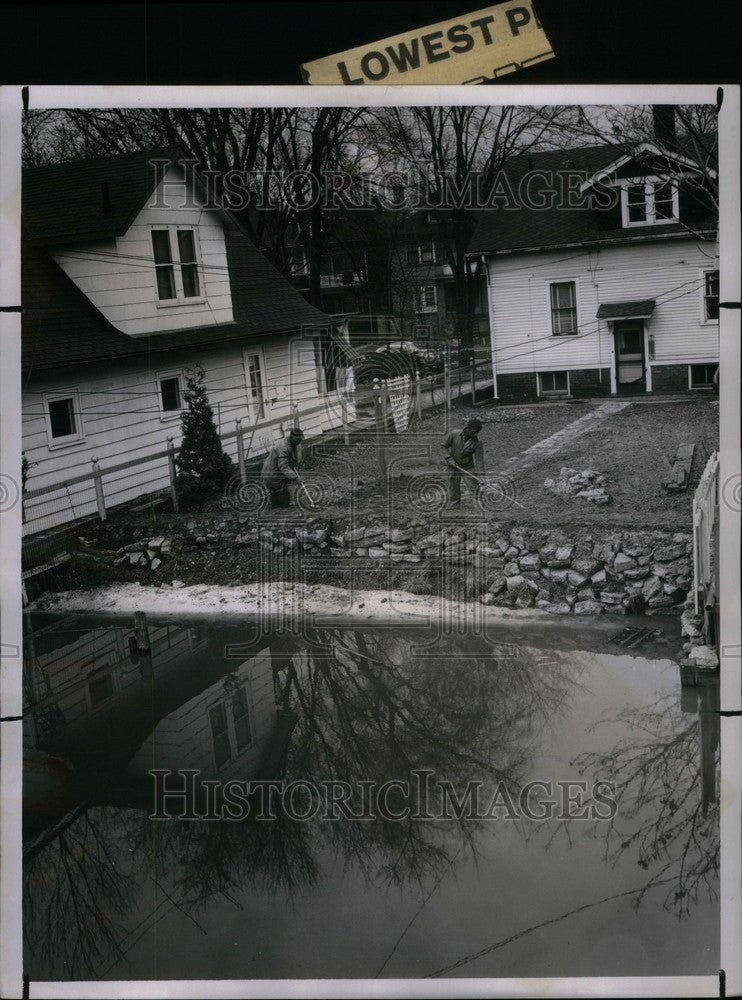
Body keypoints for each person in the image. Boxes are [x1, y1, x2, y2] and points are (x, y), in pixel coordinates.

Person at [442, 418, 485, 506]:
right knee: (453, 487)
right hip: (453, 466)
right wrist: (449, 459)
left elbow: (479, 460)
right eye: (474, 431)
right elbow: (444, 446)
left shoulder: (477, 443)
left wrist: (481, 476)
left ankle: (479, 504)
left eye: (477, 432)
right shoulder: (454, 434)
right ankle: (455, 505)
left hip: (468, 466)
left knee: (475, 486)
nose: (476, 434)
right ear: (468, 428)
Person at [261, 428, 304, 508]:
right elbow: (283, 466)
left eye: (300, 440)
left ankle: (276, 504)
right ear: (293, 438)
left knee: (282, 494)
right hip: (271, 472)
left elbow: (293, 456)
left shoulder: (292, 443)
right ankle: (276, 507)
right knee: (281, 495)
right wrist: (295, 477)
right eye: (298, 440)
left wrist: (296, 465)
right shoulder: (283, 447)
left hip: (277, 471)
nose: (300, 442)